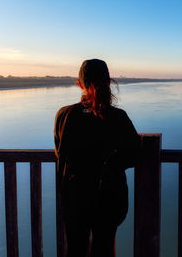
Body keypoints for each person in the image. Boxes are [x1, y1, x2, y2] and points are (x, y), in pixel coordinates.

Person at [54, 59, 141, 257]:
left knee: (76, 249)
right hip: (109, 197)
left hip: (75, 198)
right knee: (103, 247)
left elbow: (60, 153)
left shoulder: (64, 115)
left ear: (80, 84)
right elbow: (136, 155)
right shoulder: (118, 117)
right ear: (109, 83)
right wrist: (112, 164)